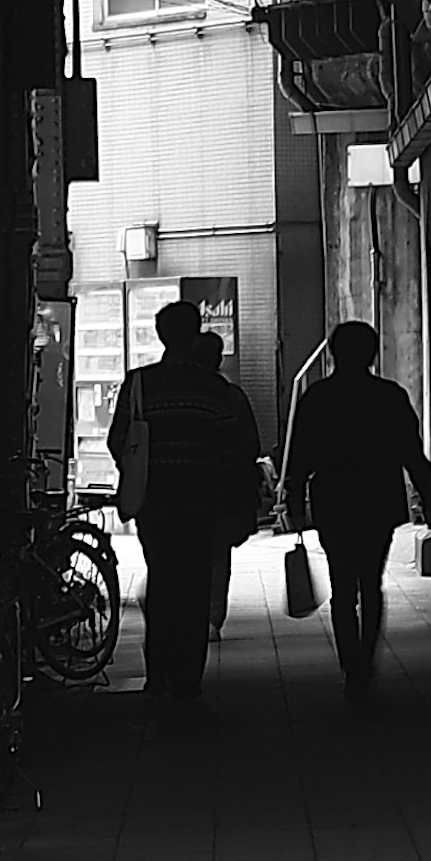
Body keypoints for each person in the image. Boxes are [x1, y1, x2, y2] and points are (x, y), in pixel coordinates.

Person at [106, 295, 267, 715]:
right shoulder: (215, 389)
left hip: (155, 505)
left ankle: (156, 673)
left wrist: (144, 471)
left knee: (161, 583)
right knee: (194, 588)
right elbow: (233, 451)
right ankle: (187, 679)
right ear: (194, 336)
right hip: (200, 504)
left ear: (160, 336)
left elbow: (117, 439)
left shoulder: (139, 383)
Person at [280, 315, 431, 702]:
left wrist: (296, 502)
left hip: (333, 498)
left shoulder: (317, 398)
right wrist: (430, 501)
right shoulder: (389, 396)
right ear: (371, 353)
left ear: (333, 354)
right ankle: (365, 659)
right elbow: (412, 454)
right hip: (378, 497)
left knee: (342, 585)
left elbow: (299, 456)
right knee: (371, 581)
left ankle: (350, 663)